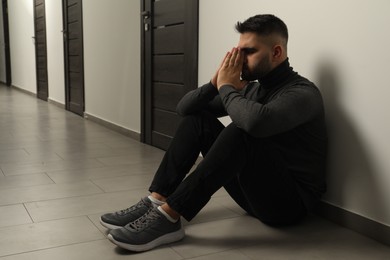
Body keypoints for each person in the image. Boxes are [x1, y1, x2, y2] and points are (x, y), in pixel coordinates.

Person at [100, 14, 328, 252]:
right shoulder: (252, 89)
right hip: (252, 196)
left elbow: (256, 124)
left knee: (242, 131)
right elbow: (185, 109)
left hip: (289, 206)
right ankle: (158, 199)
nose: (239, 59)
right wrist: (214, 83)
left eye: (248, 52)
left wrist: (227, 88)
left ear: (277, 53)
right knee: (198, 119)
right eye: (238, 51)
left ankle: (169, 217)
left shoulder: (303, 93)